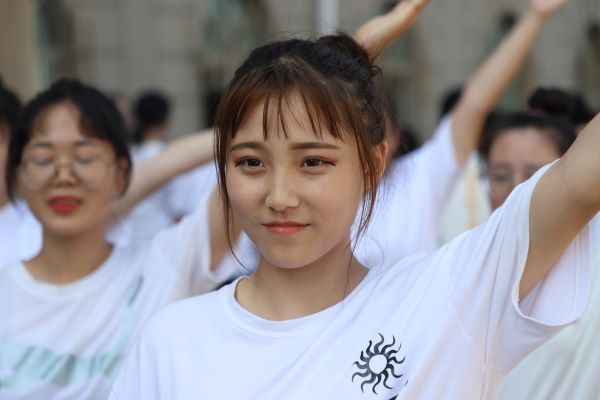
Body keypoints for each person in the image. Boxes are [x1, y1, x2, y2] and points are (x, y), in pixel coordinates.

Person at [111, 28, 595, 399]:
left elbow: (578, 181)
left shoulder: (447, 298)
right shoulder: (170, 341)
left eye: (313, 162)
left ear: (372, 165)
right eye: (251, 163)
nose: (279, 196)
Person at [0, 78, 236, 398]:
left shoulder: (163, 269)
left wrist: (256, 130)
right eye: (43, 159)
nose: (63, 175)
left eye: (84, 158)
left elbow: (244, 181)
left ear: (122, 173)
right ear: (19, 174)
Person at [353, 0, 567, 265]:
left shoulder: (418, 177)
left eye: (375, 132)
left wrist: (534, 17)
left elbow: (475, 103)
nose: (366, 145)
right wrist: (361, 45)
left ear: (395, 137)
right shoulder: (315, 189)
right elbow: (328, 87)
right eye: (354, 131)